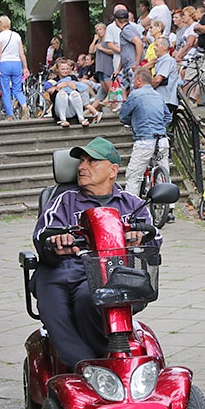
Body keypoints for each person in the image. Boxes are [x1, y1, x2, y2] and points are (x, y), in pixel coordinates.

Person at [31, 137, 160, 368]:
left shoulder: (132, 204)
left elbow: (154, 238)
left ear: (113, 170)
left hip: (110, 272)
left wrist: (140, 240)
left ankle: (105, 363)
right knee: (53, 309)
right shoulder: (64, 200)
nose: (82, 167)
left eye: (92, 162)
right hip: (61, 271)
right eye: (81, 161)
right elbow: (42, 234)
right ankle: (87, 367)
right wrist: (56, 241)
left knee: (88, 298)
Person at [119, 67, 169, 196]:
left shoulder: (135, 95)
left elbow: (123, 116)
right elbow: (168, 117)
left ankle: (131, 208)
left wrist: (134, 122)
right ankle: (168, 207)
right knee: (163, 172)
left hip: (144, 140)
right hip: (162, 139)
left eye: (134, 80)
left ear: (139, 80)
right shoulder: (158, 95)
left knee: (133, 175)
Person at [0, 15, 31, 121]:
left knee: (5, 91)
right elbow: (21, 53)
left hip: (5, 64)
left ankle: (9, 115)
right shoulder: (17, 36)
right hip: (17, 63)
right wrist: (25, 67)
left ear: (1, 24)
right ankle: (24, 106)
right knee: (18, 90)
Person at [50, 58, 90, 127]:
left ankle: (81, 119)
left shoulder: (73, 78)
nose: (65, 71)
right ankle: (63, 120)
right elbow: (52, 100)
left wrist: (74, 88)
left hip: (72, 108)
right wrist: (57, 88)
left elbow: (80, 93)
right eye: (63, 69)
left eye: (67, 69)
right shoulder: (54, 81)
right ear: (57, 69)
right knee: (62, 94)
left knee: (74, 93)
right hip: (60, 109)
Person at [115, 7, 144, 93]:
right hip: (126, 66)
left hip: (132, 66)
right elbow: (124, 52)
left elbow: (139, 43)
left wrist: (136, 62)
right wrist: (118, 69)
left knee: (134, 90)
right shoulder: (127, 29)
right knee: (121, 85)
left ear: (117, 21)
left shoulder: (127, 30)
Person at [90, 22, 115, 101]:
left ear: (105, 30)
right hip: (99, 68)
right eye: (97, 30)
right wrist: (94, 40)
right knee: (105, 87)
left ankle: (113, 104)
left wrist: (102, 49)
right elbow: (91, 51)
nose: (99, 31)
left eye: (100, 29)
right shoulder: (98, 42)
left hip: (107, 66)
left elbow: (113, 51)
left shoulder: (108, 40)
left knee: (110, 88)